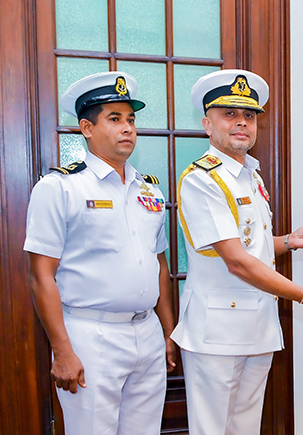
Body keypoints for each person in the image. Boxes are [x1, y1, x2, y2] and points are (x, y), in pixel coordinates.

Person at [170, 69, 303, 434]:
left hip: (258, 325)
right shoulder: (202, 179)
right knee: (213, 430)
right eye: (229, 114)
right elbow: (236, 261)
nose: (242, 122)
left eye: (249, 116)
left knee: (246, 428)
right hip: (217, 333)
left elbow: (250, 246)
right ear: (207, 124)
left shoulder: (251, 175)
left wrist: (288, 241)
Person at [24, 71, 177, 435]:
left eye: (131, 120)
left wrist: (168, 331)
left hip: (147, 332)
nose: (127, 128)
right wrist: (63, 350)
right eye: (114, 119)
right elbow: (41, 275)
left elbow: (159, 264)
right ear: (87, 128)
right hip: (91, 335)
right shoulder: (60, 187)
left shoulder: (149, 190)